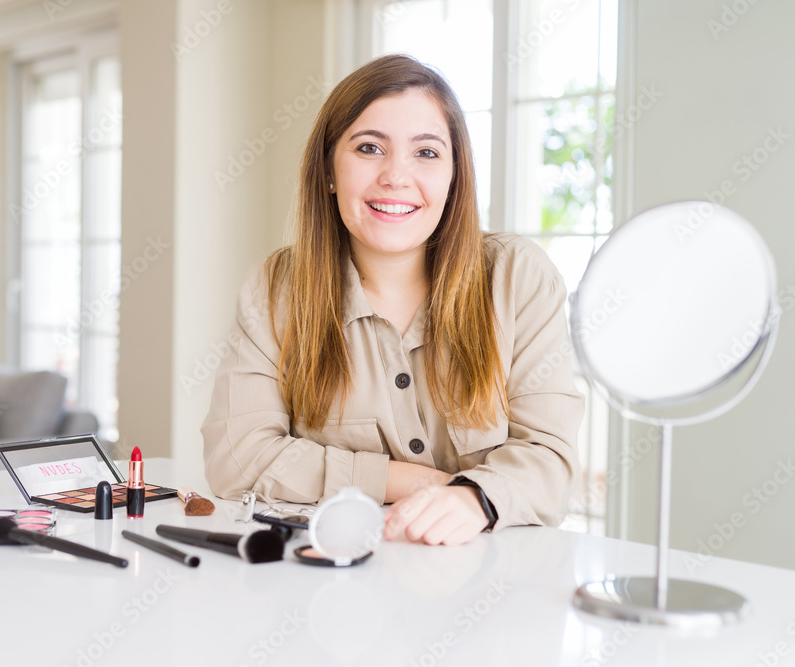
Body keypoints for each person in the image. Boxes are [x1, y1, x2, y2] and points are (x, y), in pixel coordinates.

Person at [201, 54, 585, 546]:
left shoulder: (518, 277)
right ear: (329, 170)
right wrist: (415, 481)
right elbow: (236, 459)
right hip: (330, 590)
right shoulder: (275, 289)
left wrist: (475, 500)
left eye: (426, 153)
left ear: (454, 175)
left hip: (491, 591)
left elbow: (551, 458)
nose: (396, 177)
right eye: (368, 148)